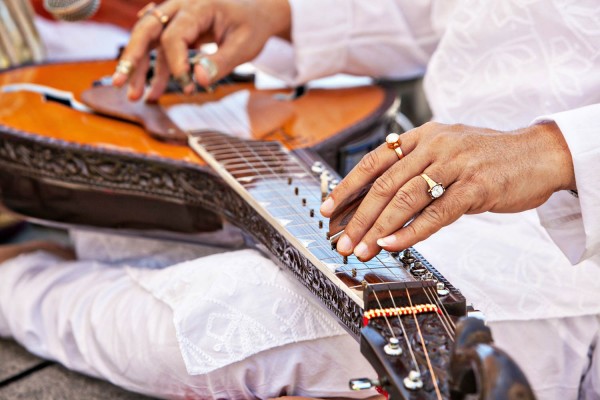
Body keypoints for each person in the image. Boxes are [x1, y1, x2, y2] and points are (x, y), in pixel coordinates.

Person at [1, 1, 600, 399]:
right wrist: (278, 14)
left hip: (567, 257)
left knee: (209, 325)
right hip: (427, 182)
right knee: (112, 231)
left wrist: (556, 152)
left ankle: (16, 284)